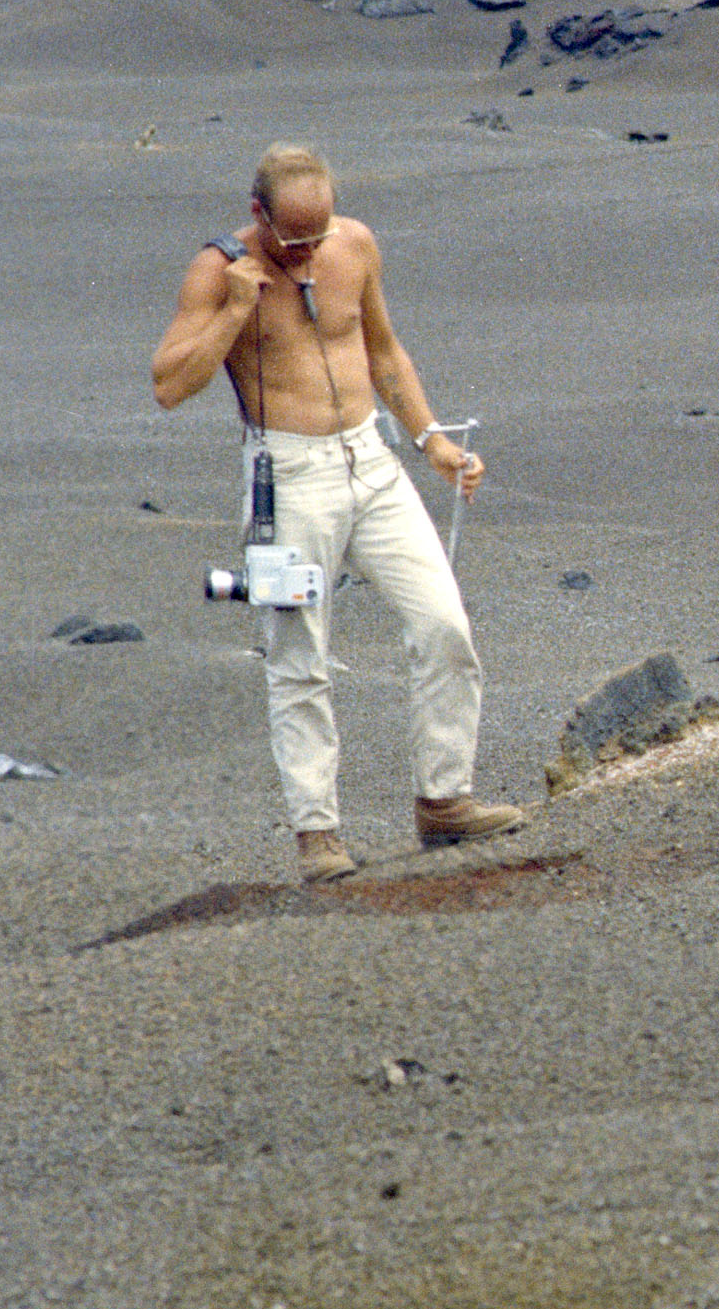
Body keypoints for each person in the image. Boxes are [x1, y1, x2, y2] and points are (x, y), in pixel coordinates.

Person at [150, 144, 526, 879]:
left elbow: (384, 352)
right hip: (287, 480)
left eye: (318, 235)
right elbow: (168, 386)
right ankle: (317, 833)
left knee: (444, 624)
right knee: (299, 658)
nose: (309, 253)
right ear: (257, 215)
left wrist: (432, 439)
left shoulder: (354, 246)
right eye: (293, 239)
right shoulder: (216, 270)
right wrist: (233, 311)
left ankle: (445, 801)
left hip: (373, 464)